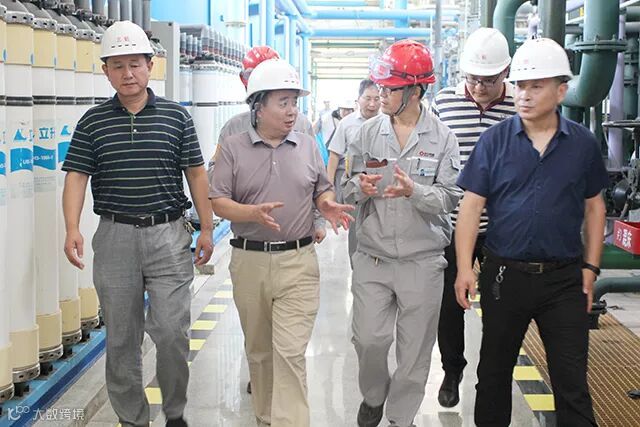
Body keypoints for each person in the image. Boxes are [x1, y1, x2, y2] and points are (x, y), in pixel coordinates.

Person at [61, 21, 213, 427]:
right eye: (118, 65)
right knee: (121, 340)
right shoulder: (92, 122)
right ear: (106, 71)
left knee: (172, 332)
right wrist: (72, 228)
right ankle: (133, 420)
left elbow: (196, 174)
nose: (128, 73)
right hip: (115, 237)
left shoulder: (177, 117)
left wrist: (207, 227)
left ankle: (175, 413)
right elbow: (76, 177)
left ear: (150, 65)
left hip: (168, 235)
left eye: (135, 64)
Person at [454, 37, 606, 427]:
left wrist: (591, 268)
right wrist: (465, 268)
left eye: (536, 86)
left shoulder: (583, 145)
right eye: (520, 85)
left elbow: (595, 208)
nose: (524, 95)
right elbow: (471, 207)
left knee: (571, 382)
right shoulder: (494, 142)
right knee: (493, 375)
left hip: (564, 281)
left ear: (561, 91)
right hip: (504, 277)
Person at [209, 58, 354, 427]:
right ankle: (265, 418)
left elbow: (321, 188)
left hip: (298, 261)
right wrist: (250, 213)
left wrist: (326, 204)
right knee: (259, 353)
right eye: (283, 103)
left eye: (294, 102)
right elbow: (217, 200)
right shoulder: (232, 147)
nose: (292, 111)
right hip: (249, 261)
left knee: (290, 352)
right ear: (259, 107)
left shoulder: (307, 146)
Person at [343, 39, 462, 427]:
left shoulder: (443, 139)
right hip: (373, 257)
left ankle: (399, 418)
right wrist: (358, 187)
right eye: (380, 86)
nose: (380, 94)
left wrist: (415, 192)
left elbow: (449, 198)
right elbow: (345, 188)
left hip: (422, 262)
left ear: (414, 91)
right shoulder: (366, 134)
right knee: (368, 339)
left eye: (389, 88)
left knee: (414, 354)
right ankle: (374, 395)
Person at [431, 27, 516, 408]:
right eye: (473, 78)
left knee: (501, 304)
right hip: (452, 223)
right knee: (449, 304)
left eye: (489, 80)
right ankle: (452, 369)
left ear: (506, 73)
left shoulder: (518, 104)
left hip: (502, 227)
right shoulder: (444, 103)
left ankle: (491, 375)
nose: (479, 87)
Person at [327, 79, 380, 259]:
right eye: (367, 98)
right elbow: (334, 156)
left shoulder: (388, 122)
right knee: (357, 233)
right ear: (358, 99)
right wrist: (328, 189)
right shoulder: (347, 123)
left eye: (376, 99)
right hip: (356, 189)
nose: (372, 104)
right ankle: (357, 269)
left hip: (381, 187)